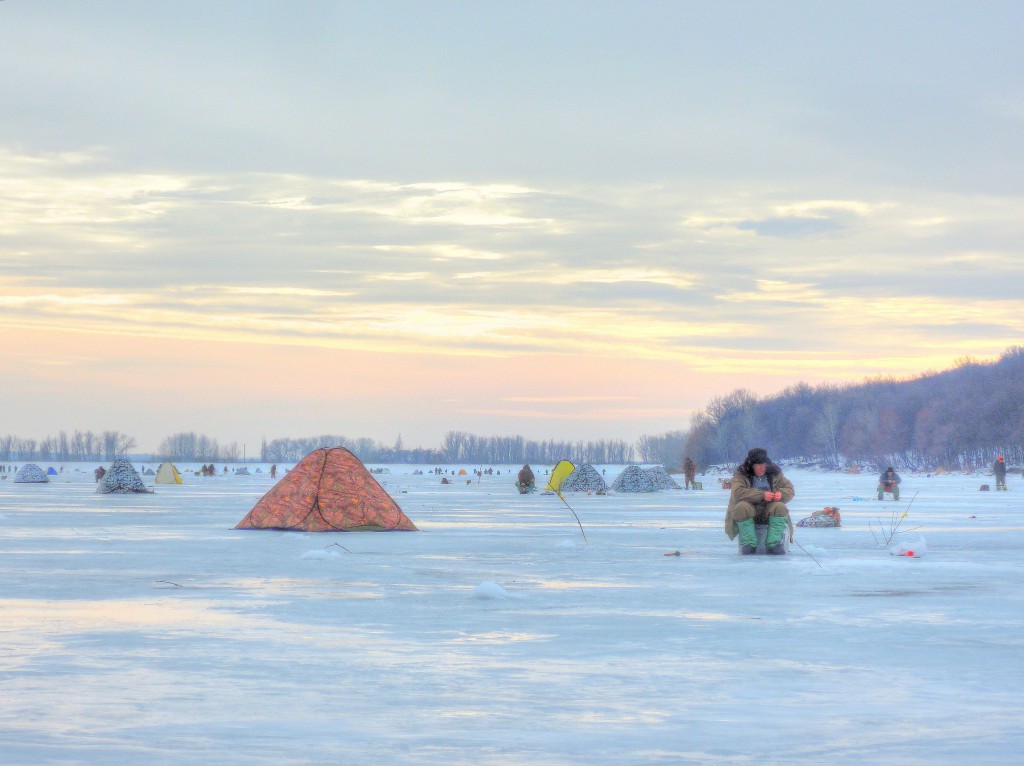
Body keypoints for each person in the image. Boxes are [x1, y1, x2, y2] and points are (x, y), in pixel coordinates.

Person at [724, 447, 794, 555]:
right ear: (752, 466)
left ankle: (774, 544)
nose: (761, 468)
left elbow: (789, 489)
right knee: (741, 507)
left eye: (763, 465)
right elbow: (737, 492)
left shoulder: (775, 473)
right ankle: (749, 544)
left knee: (780, 507)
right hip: (749, 512)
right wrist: (761, 495)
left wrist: (781, 495)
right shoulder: (741, 474)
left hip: (769, 511)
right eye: (758, 466)